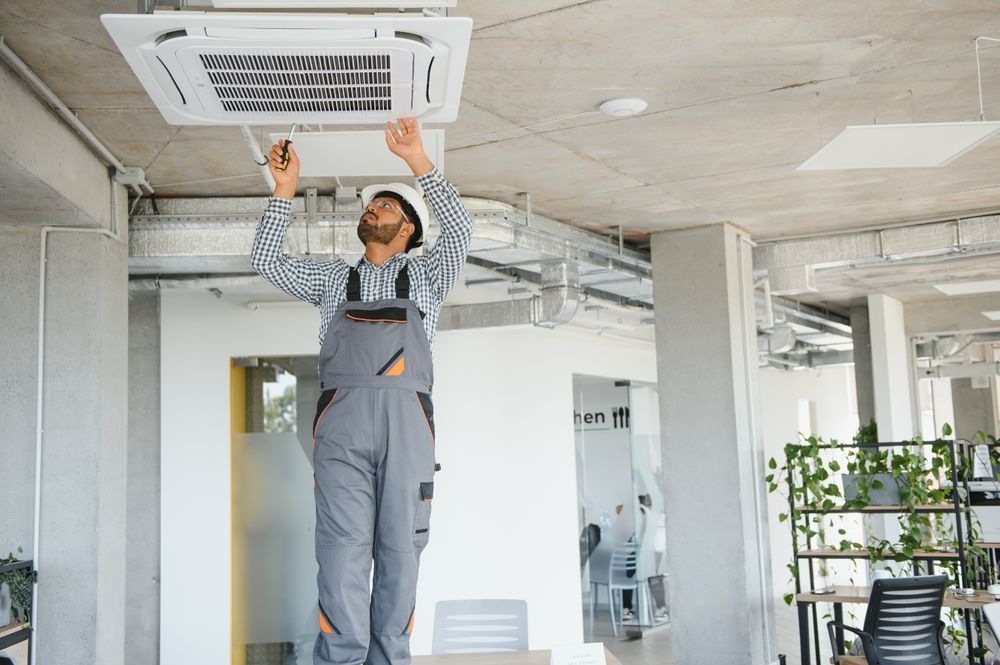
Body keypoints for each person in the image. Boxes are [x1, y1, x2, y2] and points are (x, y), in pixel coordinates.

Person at [251, 117, 472, 665]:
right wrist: (283, 192)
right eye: (371, 206)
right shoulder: (332, 279)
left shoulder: (427, 277)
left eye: (388, 207)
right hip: (344, 435)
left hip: (407, 432)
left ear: (408, 232)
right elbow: (265, 262)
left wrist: (418, 162)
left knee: (401, 557)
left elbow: (462, 232)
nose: (372, 210)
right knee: (341, 556)